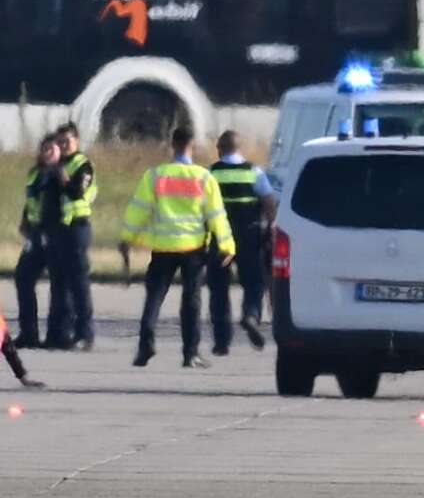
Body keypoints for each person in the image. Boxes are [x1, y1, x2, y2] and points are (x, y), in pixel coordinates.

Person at [121, 127, 235, 369]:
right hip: (192, 249)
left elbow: (138, 209)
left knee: (154, 297)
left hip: (163, 247)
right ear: (192, 146)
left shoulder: (156, 175)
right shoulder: (204, 178)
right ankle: (190, 353)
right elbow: (216, 216)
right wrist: (227, 245)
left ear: (172, 145)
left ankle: (145, 345)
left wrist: (127, 238)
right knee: (191, 301)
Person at [205, 130, 274, 354]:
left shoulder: (210, 173)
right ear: (239, 149)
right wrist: (270, 228)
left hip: (219, 239)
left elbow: (202, 206)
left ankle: (222, 342)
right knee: (254, 282)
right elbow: (268, 202)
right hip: (249, 237)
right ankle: (251, 315)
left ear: (219, 148)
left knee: (218, 289)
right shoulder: (254, 172)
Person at [45, 122, 97, 350]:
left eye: (67, 141)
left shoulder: (83, 165)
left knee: (79, 285)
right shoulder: (52, 166)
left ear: (76, 141)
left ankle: (84, 334)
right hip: (57, 230)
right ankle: (58, 333)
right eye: (60, 142)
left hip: (77, 229)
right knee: (58, 284)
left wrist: (62, 174)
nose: (63, 146)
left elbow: (77, 192)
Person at [12, 134, 62, 348]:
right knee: (23, 277)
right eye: (45, 148)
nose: (48, 152)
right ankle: (28, 332)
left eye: (52, 149)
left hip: (56, 236)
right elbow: (31, 201)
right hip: (35, 234)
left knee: (58, 285)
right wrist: (25, 221)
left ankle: (56, 334)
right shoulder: (35, 174)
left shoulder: (62, 175)